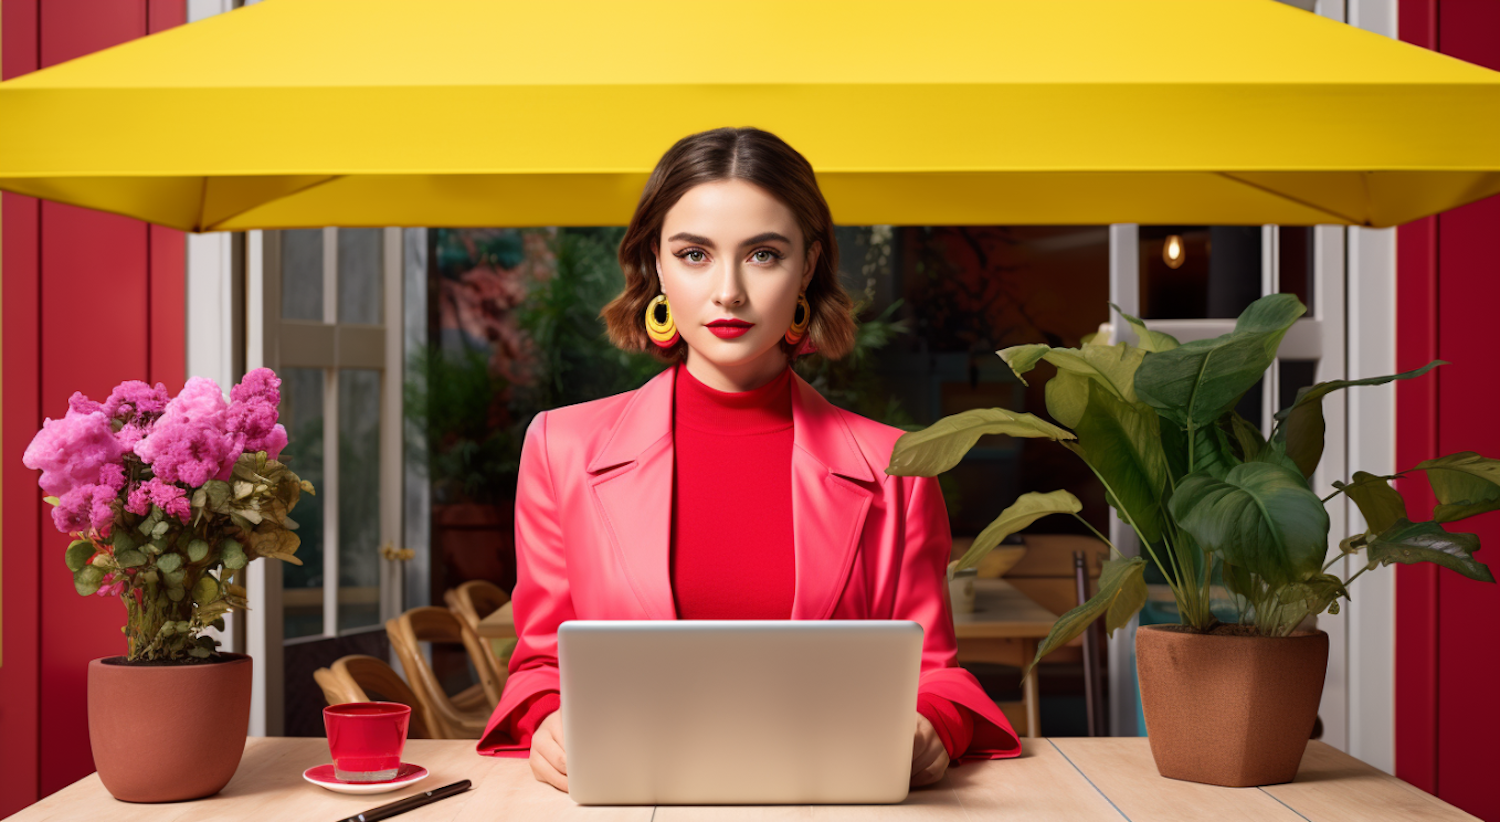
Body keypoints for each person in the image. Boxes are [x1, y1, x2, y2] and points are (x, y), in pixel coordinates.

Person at [476, 126, 1021, 792]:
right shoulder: (561, 448)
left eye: (763, 254)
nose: (728, 291)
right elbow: (539, 665)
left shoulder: (894, 468)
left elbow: (934, 671)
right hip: (632, 800)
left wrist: (934, 723)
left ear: (809, 264)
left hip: (831, 804)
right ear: (657, 261)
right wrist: (549, 720)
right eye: (695, 254)